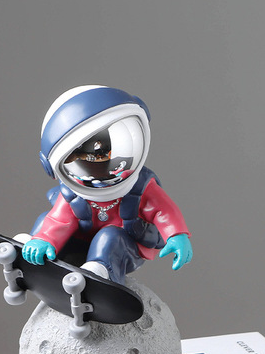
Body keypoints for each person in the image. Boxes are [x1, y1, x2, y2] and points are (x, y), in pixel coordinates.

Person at [21, 85, 192, 284]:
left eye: (104, 154)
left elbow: (164, 211)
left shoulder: (139, 186)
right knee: (45, 221)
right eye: (87, 157)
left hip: (122, 248)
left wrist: (176, 235)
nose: (99, 161)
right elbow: (60, 220)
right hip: (80, 240)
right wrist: (44, 239)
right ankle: (33, 251)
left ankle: (102, 270)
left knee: (109, 237)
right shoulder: (73, 192)